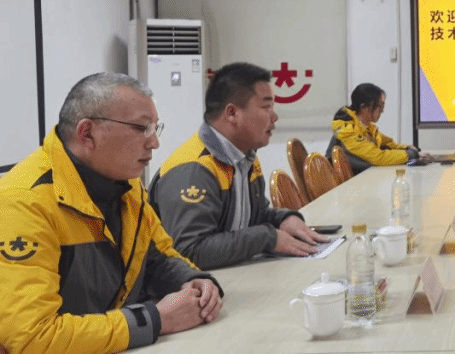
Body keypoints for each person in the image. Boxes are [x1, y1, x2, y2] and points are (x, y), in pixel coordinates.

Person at [0, 73, 222, 354]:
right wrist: (154, 320)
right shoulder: (22, 202)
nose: (154, 142)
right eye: (142, 128)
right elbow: (32, 337)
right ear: (87, 133)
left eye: (155, 128)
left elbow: (156, 256)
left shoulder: (126, 184)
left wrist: (191, 280)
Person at [150, 62, 327, 270]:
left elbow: (253, 217)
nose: (274, 117)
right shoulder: (194, 169)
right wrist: (267, 238)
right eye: (266, 107)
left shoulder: (245, 157)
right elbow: (190, 252)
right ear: (232, 113)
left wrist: (284, 220)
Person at [327, 83, 431, 174]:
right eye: (379, 106)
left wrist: (406, 149)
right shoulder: (348, 131)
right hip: (349, 185)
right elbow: (378, 157)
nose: (381, 111)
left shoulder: (367, 127)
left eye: (382, 106)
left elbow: (387, 144)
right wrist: (411, 155)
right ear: (363, 107)